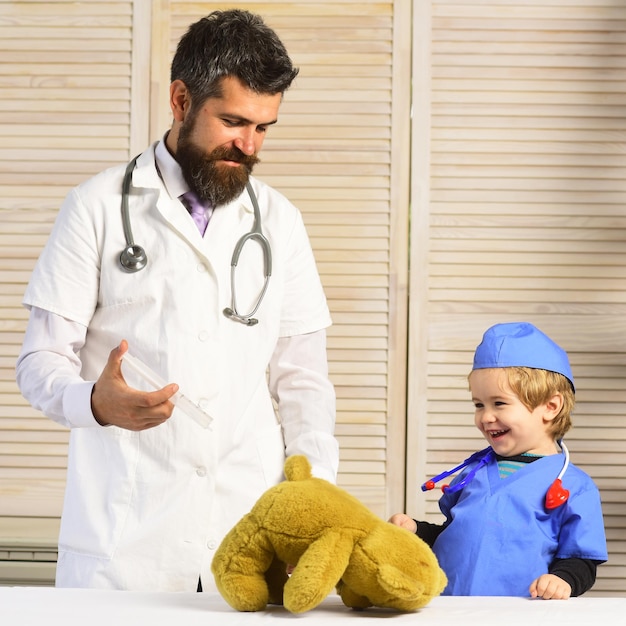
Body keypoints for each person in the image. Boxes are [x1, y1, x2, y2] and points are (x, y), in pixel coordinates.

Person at [15, 9, 339, 592]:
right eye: (234, 121)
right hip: (126, 537)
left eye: (264, 128)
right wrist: (95, 401)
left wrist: (313, 494)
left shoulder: (281, 223)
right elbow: (39, 363)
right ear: (181, 99)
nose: (248, 144)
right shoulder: (94, 207)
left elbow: (303, 381)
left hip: (248, 527)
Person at [390, 322, 607, 599]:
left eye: (499, 403)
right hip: (448, 609)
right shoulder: (474, 472)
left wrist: (562, 579)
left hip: (518, 612)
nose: (485, 416)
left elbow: (581, 560)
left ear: (550, 407)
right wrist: (416, 530)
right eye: (479, 404)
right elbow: (455, 536)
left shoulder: (574, 486)